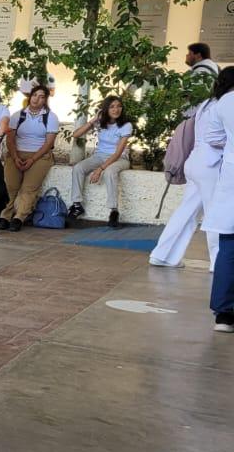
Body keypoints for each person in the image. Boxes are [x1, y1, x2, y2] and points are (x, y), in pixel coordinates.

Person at [149, 70, 229, 269]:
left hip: (195, 162)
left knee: (186, 211)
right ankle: (219, 264)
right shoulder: (223, 105)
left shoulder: (206, 104)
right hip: (211, 165)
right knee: (215, 214)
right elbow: (214, 138)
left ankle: (163, 255)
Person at [0, 83, 61, 229]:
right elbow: (10, 139)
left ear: (46, 100)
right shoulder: (17, 115)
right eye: (35, 95)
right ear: (30, 96)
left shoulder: (51, 117)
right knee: (10, 186)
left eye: (41, 97)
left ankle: (20, 217)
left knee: (29, 188)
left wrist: (32, 159)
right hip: (16, 153)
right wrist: (15, 157)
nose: (37, 99)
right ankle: (4, 216)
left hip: (39, 155)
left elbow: (49, 143)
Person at [201, 70, 234, 332]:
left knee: (228, 244)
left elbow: (212, 138)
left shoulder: (222, 103)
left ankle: (224, 314)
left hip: (231, 177)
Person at [69, 95, 134, 227]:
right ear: (105, 109)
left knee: (109, 172)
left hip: (120, 158)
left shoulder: (126, 125)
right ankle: (77, 205)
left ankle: (113, 211)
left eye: (119, 106)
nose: (116, 109)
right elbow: (76, 135)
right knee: (78, 168)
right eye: (112, 107)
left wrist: (100, 169)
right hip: (99, 156)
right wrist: (93, 120)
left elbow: (117, 153)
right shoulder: (100, 123)